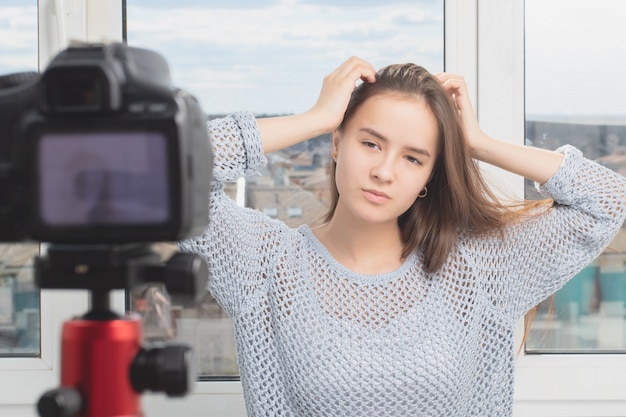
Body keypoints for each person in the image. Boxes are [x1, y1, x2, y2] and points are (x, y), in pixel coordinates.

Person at [178, 57, 626, 416]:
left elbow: (608, 200)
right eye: (370, 143)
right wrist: (314, 118)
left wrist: (477, 142)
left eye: (413, 159)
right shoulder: (266, 265)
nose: (384, 171)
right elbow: (171, 173)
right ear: (337, 144)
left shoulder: (476, 270)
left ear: (429, 176)